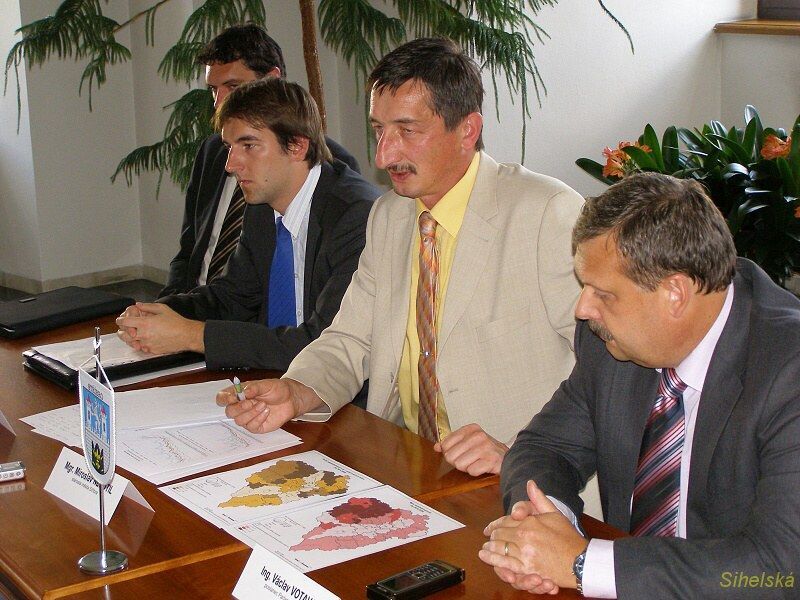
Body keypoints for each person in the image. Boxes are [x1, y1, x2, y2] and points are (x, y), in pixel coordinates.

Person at [217, 38, 583, 477]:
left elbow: (606, 373)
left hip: (517, 479)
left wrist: (525, 455)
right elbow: (351, 338)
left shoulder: (546, 213)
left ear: (467, 130)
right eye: (379, 130)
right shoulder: (389, 215)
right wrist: (297, 390)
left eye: (407, 131)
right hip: (408, 459)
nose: (384, 155)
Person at [480, 173, 800, 598]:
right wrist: (542, 523)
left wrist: (582, 564)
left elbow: (780, 569)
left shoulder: (787, 371)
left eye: (603, 293)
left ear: (675, 294)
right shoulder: (611, 345)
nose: (582, 309)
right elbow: (545, 447)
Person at [116, 78, 378, 371]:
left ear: (297, 146)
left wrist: (191, 335)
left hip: (337, 389)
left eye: (249, 145)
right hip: (270, 379)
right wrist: (159, 312)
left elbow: (323, 344)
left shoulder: (356, 218)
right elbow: (233, 298)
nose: (230, 164)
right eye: (229, 147)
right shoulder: (263, 204)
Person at [159, 24, 360, 298]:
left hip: (257, 313)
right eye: (213, 90)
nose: (219, 103)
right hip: (203, 300)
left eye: (233, 86)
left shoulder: (330, 169)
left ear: (271, 80)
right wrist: (168, 305)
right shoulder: (213, 151)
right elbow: (188, 251)